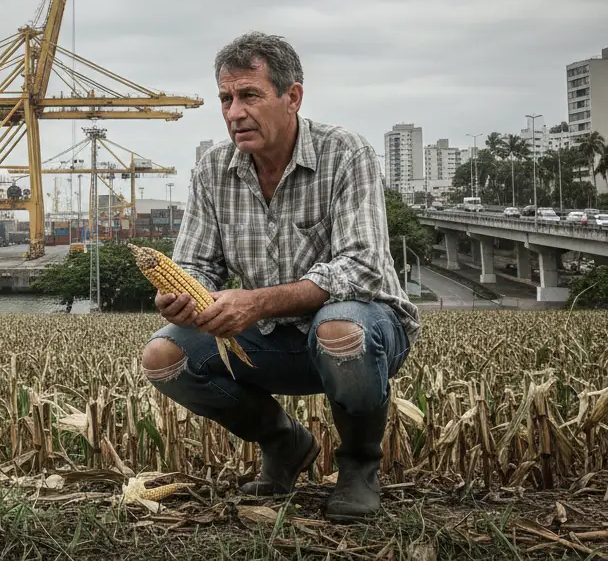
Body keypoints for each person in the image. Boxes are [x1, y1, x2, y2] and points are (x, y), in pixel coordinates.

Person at [140, 32, 419, 523]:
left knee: (340, 328)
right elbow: (194, 266)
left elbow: (362, 267)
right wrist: (182, 296)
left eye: (249, 95)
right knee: (163, 357)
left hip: (360, 335)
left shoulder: (346, 153)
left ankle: (358, 466)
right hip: (265, 342)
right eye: (226, 99)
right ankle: (284, 444)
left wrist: (259, 302)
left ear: (292, 97)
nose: (233, 112)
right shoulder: (211, 169)